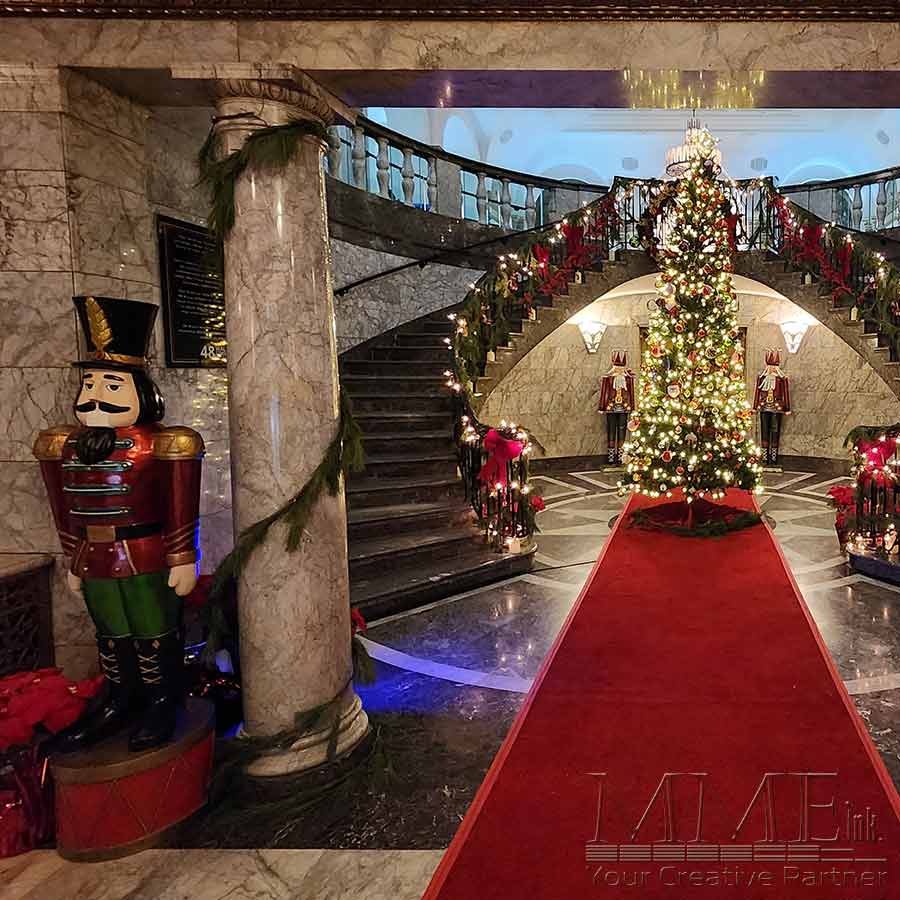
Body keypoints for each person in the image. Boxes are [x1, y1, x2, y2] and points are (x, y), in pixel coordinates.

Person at [33, 296, 204, 752]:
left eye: (111, 384)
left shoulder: (165, 443)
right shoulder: (65, 445)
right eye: (89, 382)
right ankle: (119, 699)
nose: (95, 394)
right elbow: (64, 506)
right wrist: (73, 557)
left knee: (154, 631)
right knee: (111, 634)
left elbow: (179, 503)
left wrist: (183, 556)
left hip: (145, 553)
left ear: (141, 391)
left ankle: (162, 701)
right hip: (94, 556)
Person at [753, 348, 791, 465]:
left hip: (776, 408)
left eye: (774, 366)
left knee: (775, 432)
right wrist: (754, 407)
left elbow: (786, 393)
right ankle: (765, 458)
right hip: (764, 407)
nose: (771, 369)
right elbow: (757, 392)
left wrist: (787, 408)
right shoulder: (761, 378)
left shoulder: (781, 379)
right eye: (770, 366)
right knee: (764, 432)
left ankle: (773, 459)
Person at [598, 350, 636, 466]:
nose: (619, 371)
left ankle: (620, 457)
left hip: (624, 408)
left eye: (621, 368)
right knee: (611, 430)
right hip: (611, 408)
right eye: (617, 368)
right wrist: (601, 407)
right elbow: (604, 393)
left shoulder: (628, 380)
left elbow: (631, 394)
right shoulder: (608, 379)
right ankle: (610, 457)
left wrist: (632, 407)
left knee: (622, 431)